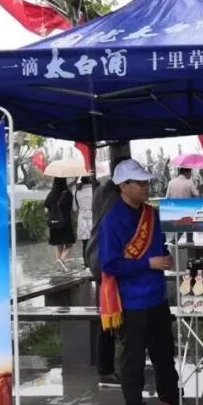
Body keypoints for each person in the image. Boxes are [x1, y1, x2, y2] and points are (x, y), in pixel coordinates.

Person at [99, 159, 198, 405]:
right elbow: (110, 264)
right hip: (132, 302)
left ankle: (170, 401)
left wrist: (164, 257)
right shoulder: (113, 221)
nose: (146, 187)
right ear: (124, 186)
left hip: (157, 296)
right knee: (133, 359)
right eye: (140, 183)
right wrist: (149, 263)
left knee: (164, 353)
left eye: (146, 183)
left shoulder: (151, 215)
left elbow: (160, 247)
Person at [89, 154, 130, 388]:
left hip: (98, 258)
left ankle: (110, 368)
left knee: (108, 315)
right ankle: (108, 371)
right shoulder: (116, 198)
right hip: (109, 262)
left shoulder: (101, 191)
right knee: (112, 315)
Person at [45, 177, 76, 272]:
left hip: (54, 223)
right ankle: (61, 260)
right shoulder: (67, 194)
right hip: (65, 223)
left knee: (59, 245)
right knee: (69, 245)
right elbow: (72, 208)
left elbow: (46, 208)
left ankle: (59, 267)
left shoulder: (51, 194)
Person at [75, 177, 95, 266]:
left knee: (85, 243)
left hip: (82, 218)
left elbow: (74, 208)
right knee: (95, 241)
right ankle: (94, 262)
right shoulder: (94, 190)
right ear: (90, 180)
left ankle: (86, 264)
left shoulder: (77, 192)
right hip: (93, 216)